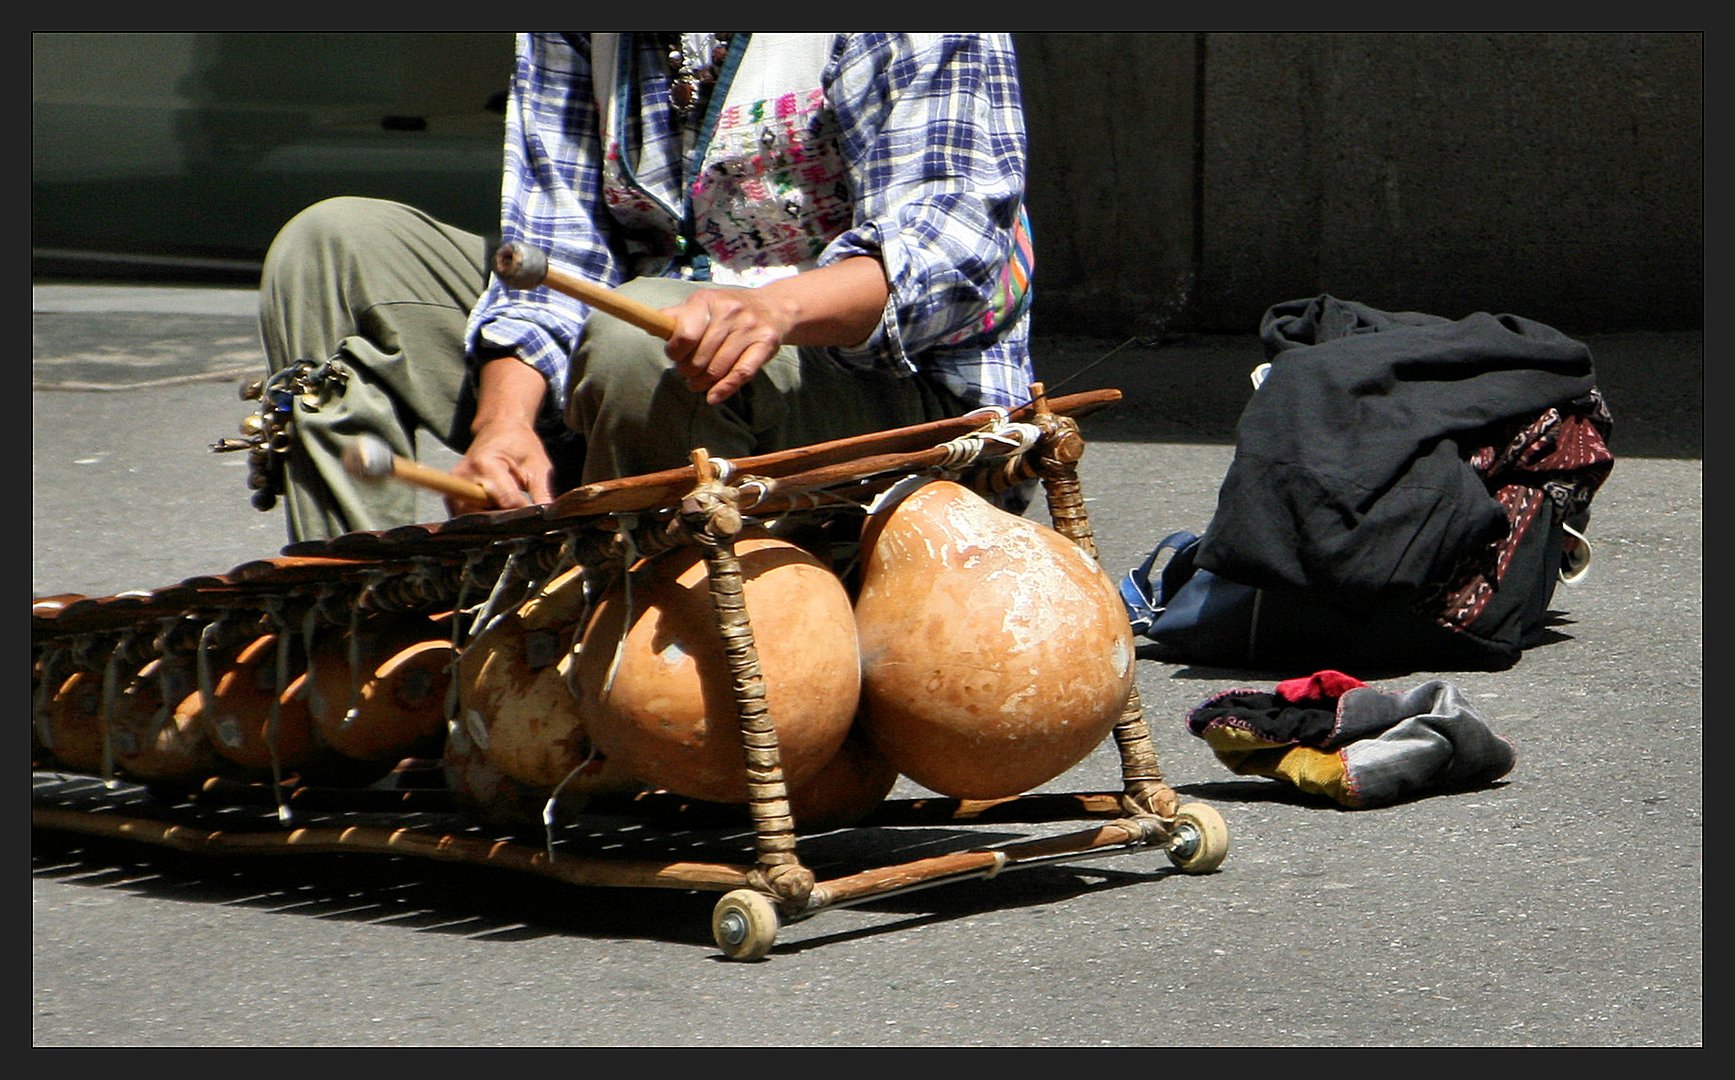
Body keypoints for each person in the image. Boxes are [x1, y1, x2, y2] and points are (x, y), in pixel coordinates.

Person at [250, 32, 1036, 544]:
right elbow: (554, 248)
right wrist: (503, 426)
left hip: (895, 411)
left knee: (645, 331)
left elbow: (952, 253)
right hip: (638, 385)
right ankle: (364, 644)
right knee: (336, 244)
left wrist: (772, 308)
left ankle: (651, 656)